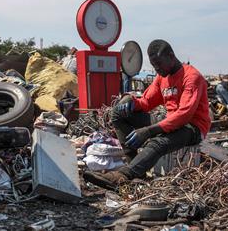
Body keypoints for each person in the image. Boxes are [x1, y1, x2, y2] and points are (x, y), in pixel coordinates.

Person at [83, 39, 211, 190]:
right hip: (170, 120)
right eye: (154, 65)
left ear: (171, 56)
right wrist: (130, 101)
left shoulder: (191, 77)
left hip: (192, 127)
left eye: (159, 64)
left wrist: (149, 131)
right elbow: (146, 102)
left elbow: (184, 115)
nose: (157, 69)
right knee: (118, 113)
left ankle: (123, 176)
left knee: (157, 142)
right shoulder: (161, 77)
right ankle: (134, 164)